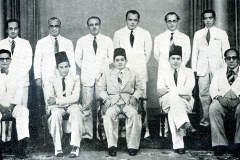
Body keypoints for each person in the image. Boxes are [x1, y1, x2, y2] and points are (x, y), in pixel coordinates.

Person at [113, 10, 152, 139]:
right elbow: (117, 54)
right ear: (126, 20)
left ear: (138, 21)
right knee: (124, 99)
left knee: (142, 102)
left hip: (140, 71)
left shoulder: (145, 34)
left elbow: (147, 54)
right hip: (124, 73)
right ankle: (124, 130)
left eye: (135, 20)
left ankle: (144, 130)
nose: (133, 22)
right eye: (130, 20)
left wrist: (137, 67)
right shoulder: (118, 34)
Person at [99, 48, 144, 157]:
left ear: (126, 60)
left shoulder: (133, 74)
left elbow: (140, 88)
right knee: (109, 115)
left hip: (128, 102)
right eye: (117, 60)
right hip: (112, 102)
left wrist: (135, 97)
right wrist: (106, 99)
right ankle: (112, 146)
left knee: (134, 115)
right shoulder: (106, 74)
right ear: (113, 62)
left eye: (122, 60)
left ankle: (132, 146)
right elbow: (101, 89)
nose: (120, 62)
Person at [75, 16, 114, 142]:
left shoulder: (107, 40)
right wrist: (88, 69)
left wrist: (101, 69)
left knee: (102, 106)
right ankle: (87, 135)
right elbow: (78, 59)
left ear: (100, 25)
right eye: (91, 24)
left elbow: (110, 58)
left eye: (96, 24)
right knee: (86, 107)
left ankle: (101, 133)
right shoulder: (82, 41)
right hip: (87, 78)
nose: (94, 27)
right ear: (88, 26)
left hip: (102, 78)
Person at [192, 9, 230, 128]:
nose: (208, 20)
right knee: (203, 94)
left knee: (217, 93)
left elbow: (226, 52)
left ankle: (217, 120)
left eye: (210, 18)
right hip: (202, 68)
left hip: (217, 68)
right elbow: (195, 52)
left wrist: (225, 69)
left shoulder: (221, 33)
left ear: (214, 19)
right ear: (203, 20)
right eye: (205, 18)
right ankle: (205, 120)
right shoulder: (198, 34)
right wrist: (194, 69)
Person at [45, 51, 84, 158]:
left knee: (76, 112)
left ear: (69, 67)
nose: (64, 69)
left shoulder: (75, 78)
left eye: (66, 66)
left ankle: (75, 146)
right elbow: (49, 99)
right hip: (57, 108)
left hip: (72, 105)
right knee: (56, 115)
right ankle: (58, 147)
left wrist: (57, 100)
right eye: (61, 67)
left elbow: (75, 97)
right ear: (57, 68)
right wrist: (61, 101)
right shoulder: (51, 79)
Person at [157, 45, 195, 154]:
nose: (175, 61)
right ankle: (185, 123)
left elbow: (189, 89)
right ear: (169, 60)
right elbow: (160, 91)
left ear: (182, 60)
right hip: (166, 102)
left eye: (178, 58)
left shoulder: (189, 72)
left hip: (185, 103)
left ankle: (179, 145)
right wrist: (182, 92)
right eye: (173, 58)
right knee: (174, 99)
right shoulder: (163, 71)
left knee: (173, 106)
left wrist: (169, 90)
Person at [34, 17, 76, 99]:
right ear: (48, 27)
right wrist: (38, 77)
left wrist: (73, 76)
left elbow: (72, 61)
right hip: (47, 76)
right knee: (49, 101)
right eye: (51, 26)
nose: (54, 29)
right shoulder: (41, 43)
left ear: (60, 27)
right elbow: (37, 61)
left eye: (56, 26)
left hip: (64, 76)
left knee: (64, 100)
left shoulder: (68, 42)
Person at [209, 48, 240, 157]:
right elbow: (212, 88)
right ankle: (219, 144)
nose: (231, 60)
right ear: (225, 60)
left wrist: (238, 99)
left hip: (238, 100)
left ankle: (238, 144)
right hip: (223, 100)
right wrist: (219, 97)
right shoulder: (219, 73)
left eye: (234, 58)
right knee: (214, 108)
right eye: (228, 58)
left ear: (238, 59)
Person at [0, 49, 29, 159]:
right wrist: (1, 108)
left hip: (13, 105)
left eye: (6, 59)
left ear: (10, 60)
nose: (4, 61)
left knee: (23, 111)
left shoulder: (17, 74)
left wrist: (11, 107)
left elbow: (19, 92)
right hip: (0, 107)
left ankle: (21, 147)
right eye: (1, 59)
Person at [0, 19, 32, 107]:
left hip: (22, 80)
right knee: (5, 106)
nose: (13, 31)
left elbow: (28, 63)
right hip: (5, 80)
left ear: (18, 30)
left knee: (22, 108)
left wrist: (17, 76)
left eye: (15, 28)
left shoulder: (25, 43)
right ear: (7, 30)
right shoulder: (1, 43)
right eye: (10, 28)